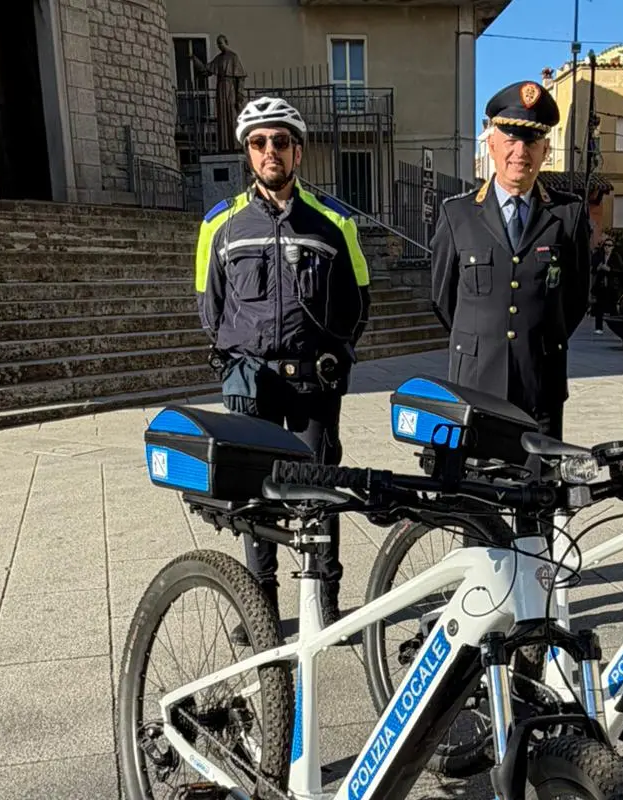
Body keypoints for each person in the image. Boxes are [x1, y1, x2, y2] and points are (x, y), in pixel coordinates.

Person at [195, 95, 372, 637]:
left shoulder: (333, 223)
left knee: (321, 489)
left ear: (298, 151)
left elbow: (358, 305)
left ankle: (325, 601)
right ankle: (262, 609)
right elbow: (210, 307)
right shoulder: (220, 226)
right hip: (253, 385)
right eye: (258, 142)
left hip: (313, 384)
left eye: (280, 141)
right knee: (255, 498)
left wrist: (332, 355)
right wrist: (239, 356)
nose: (270, 151)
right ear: (248, 153)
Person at [431, 80, 591, 443]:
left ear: (546, 149)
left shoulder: (568, 215)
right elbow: (444, 300)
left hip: (541, 385)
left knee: (537, 492)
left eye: (532, 141)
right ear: (491, 144)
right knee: (476, 492)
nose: (521, 151)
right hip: (474, 385)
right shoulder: (457, 215)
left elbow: (577, 298)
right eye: (511, 140)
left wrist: (536, 339)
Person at [590, 235, 622, 334]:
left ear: (613, 247)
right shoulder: (599, 256)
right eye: (605, 245)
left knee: (613, 308)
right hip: (601, 285)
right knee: (599, 307)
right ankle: (598, 328)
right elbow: (593, 268)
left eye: (609, 245)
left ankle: (615, 327)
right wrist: (598, 268)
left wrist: (609, 269)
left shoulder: (616, 256)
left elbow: (620, 270)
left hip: (612, 286)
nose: (607, 247)